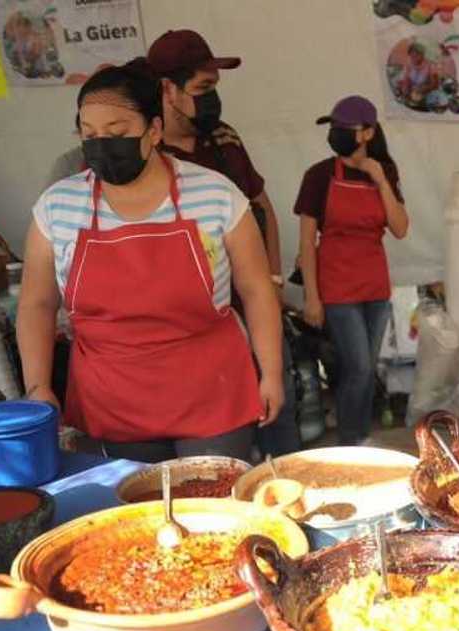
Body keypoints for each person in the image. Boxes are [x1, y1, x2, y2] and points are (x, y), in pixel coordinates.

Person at [18, 63, 284, 462]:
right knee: (131, 515)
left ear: (154, 130)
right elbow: (36, 303)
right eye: (89, 134)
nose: (102, 144)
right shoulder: (59, 206)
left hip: (210, 391)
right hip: (111, 399)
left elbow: (257, 290)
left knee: (214, 509)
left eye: (118, 132)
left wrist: (272, 372)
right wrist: (38, 385)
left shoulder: (214, 194)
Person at [146, 29, 299, 457]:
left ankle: (286, 490)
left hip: (252, 302)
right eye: (203, 88)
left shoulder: (225, 137)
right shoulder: (146, 155)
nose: (213, 99)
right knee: (225, 422)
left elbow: (261, 206)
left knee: (278, 399)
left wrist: (271, 279)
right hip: (197, 321)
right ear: (167, 90)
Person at [294, 96, 409, 446]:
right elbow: (305, 243)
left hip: (374, 284)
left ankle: (358, 437)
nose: (338, 134)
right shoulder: (318, 175)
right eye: (335, 129)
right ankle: (352, 439)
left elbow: (401, 228)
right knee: (357, 367)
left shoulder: (384, 172)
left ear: (368, 133)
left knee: (364, 368)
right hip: (337, 286)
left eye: (346, 129)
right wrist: (312, 298)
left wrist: (380, 179)